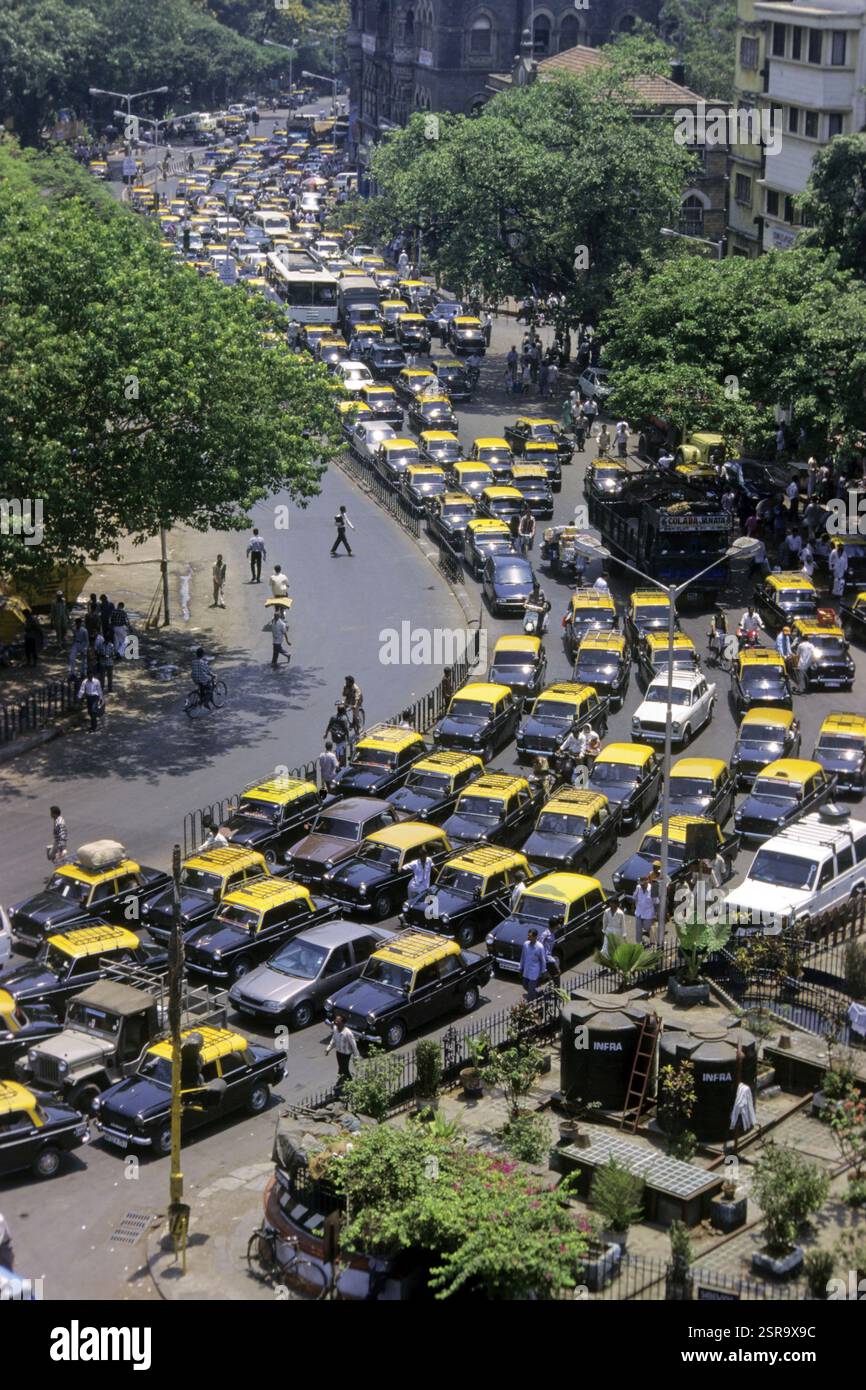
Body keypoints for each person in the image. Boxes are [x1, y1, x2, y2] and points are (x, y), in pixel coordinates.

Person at [520, 928, 548, 1001]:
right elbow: (523, 956)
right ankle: (538, 994)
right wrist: (520, 967)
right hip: (526, 970)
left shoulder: (540, 947)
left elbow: (543, 960)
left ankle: (531, 1003)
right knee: (525, 985)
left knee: (531, 989)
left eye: (530, 936)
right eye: (528, 936)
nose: (528, 937)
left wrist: (543, 971)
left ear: (535, 937)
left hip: (534, 972)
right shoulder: (525, 944)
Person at [634, 876, 656, 945]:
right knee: (638, 929)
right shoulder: (638, 888)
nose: (641, 885)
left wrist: (656, 914)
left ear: (647, 882)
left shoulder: (652, 890)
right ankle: (639, 944)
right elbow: (634, 897)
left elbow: (656, 902)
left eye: (643, 884)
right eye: (641, 884)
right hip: (639, 912)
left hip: (648, 914)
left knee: (647, 928)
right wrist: (635, 906)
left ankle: (652, 938)